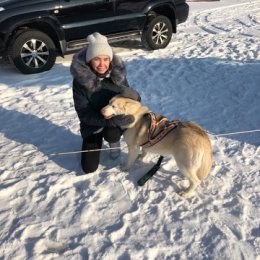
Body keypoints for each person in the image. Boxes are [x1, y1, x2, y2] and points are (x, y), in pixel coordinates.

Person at [70, 32, 140, 174]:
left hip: (113, 120)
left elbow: (129, 100)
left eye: (106, 59)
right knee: (89, 168)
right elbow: (83, 113)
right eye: (97, 59)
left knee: (112, 132)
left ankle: (114, 143)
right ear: (90, 60)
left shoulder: (117, 75)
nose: (102, 64)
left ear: (110, 60)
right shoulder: (80, 81)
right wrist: (105, 121)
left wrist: (136, 96)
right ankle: (100, 138)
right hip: (92, 124)